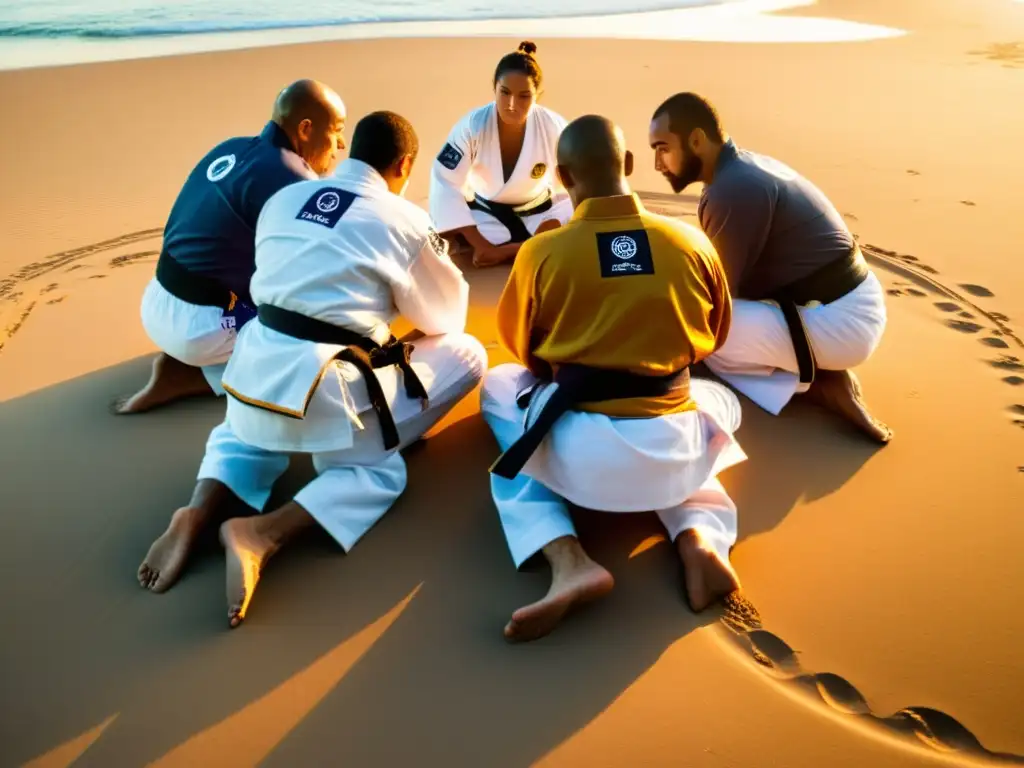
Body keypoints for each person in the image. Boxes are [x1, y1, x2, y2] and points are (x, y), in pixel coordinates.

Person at [136, 111, 488, 628]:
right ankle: (264, 533)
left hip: (251, 371)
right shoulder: (403, 219)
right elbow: (445, 316)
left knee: (241, 435)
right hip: (330, 395)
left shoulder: (283, 200)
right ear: (405, 164)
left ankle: (198, 509)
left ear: (350, 154)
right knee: (453, 368)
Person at [480, 115, 748, 643]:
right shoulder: (690, 241)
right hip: (673, 449)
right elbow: (716, 335)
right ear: (627, 165)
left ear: (560, 176)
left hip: (580, 459)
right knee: (712, 400)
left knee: (499, 388)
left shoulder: (541, 252)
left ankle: (569, 560)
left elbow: (521, 350)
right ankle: (700, 537)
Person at [649, 92, 891, 443]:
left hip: (840, 322)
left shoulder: (732, 190)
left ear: (697, 140)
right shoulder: (743, 167)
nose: (658, 163)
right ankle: (806, 365)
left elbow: (716, 300)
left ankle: (816, 384)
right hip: (850, 302)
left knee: (704, 338)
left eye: (662, 148)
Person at [113, 79, 347, 415]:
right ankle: (196, 375)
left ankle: (196, 358)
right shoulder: (296, 181)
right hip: (201, 329)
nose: (341, 144)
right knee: (320, 332)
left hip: (154, 302)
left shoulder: (230, 147)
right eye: (337, 130)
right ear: (307, 129)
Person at [429, 41, 571, 268]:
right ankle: (530, 247)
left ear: (538, 96)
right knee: (440, 227)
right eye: (504, 93)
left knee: (575, 213)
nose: (512, 104)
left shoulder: (554, 126)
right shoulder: (472, 126)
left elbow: (578, 176)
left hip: (539, 211)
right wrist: (480, 245)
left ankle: (509, 250)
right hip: (486, 213)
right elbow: (445, 180)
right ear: (494, 88)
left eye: (524, 96)